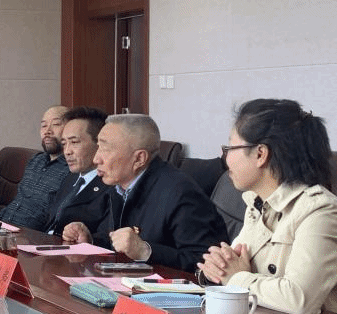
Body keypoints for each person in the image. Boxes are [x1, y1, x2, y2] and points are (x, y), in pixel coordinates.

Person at [197, 99, 337, 314]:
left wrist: (236, 279)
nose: (225, 158)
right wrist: (216, 269)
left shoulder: (322, 211)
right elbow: (232, 265)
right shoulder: (257, 204)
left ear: (260, 154)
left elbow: (300, 299)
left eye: (229, 148)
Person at [62, 114, 227, 272]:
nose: (96, 159)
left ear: (139, 159)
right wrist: (91, 240)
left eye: (106, 149)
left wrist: (145, 251)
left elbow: (206, 263)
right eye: (99, 146)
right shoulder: (120, 186)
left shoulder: (180, 193)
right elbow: (119, 240)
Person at [0, 105, 70, 229]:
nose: (47, 131)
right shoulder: (36, 160)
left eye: (56, 124)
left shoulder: (71, 169)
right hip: (2, 226)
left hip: (29, 235)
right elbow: (18, 200)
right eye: (44, 125)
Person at [43, 106, 111, 235]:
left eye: (74, 142)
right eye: (64, 143)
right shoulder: (70, 178)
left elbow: (104, 239)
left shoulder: (111, 185)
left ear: (99, 144)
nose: (67, 151)